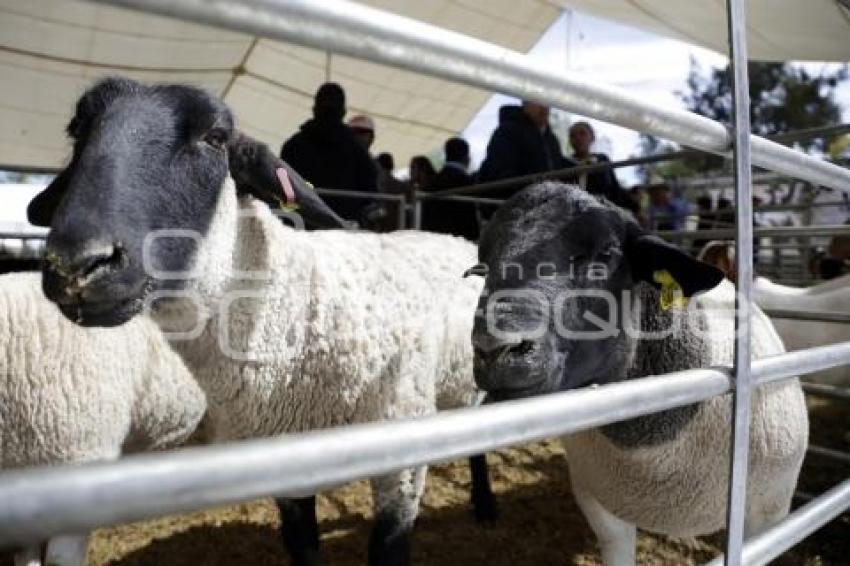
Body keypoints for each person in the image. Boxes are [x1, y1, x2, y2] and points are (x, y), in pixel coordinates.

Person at [280, 83, 377, 222]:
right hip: (343, 227)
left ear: (314, 109)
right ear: (343, 112)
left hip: (301, 225)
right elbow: (370, 192)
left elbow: (283, 185)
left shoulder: (292, 146)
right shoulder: (357, 150)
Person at [477, 100, 575, 199]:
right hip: (520, 201)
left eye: (546, 103)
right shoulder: (507, 132)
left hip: (546, 200)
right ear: (525, 106)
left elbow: (557, 163)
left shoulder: (550, 139)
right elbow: (500, 169)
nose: (544, 108)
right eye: (537, 101)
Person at [568, 121, 637, 214]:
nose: (578, 138)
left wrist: (636, 208)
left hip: (601, 212)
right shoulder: (565, 164)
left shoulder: (602, 160)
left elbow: (615, 188)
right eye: (573, 136)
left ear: (592, 138)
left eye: (582, 134)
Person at [421, 137, 479, 240]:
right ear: (466, 157)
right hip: (460, 242)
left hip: (431, 240)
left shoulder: (431, 182)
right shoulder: (468, 183)